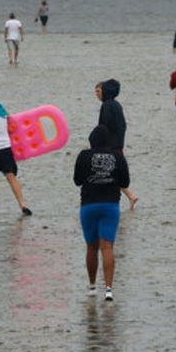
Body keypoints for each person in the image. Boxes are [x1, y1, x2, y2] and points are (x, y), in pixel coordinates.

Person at [73, 125, 130, 301]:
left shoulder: (83, 155)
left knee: (91, 247)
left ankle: (91, 286)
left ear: (91, 141)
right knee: (107, 247)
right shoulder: (118, 156)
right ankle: (108, 289)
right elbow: (125, 182)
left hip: (88, 206)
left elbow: (77, 181)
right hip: (110, 206)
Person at [95, 78, 138, 209]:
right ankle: (130, 196)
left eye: (98, 91)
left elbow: (104, 128)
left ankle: (121, 199)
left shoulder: (106, 106)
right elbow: (122, 126)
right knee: (112, 173)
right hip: (118, 145)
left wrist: (99, 145)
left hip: (110, 147)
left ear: (105, 91)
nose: (96, 94)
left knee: (108, 174)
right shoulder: (116, 104)